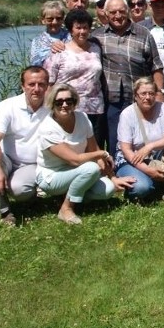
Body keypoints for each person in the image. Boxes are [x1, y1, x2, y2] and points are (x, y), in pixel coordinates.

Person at [36, 84, 135, 224]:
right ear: (52, 103)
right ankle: (66, 209)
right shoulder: (47, 128)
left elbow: (93, 149)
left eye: (69, 101)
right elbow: (75, 160)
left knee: (108, 190)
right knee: (92, 168)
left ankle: (67, 195)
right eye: (59, 102)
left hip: (76, 171)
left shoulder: (82, 118)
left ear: (75, 102)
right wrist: (103, 153)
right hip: (52, 176)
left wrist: (112, 177)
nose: (64, 105)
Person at [93, 0, 164, 157]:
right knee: (114, 141)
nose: (117, 16)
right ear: (105, 13)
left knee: (140, 139)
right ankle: (116, 175)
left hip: (138, 98)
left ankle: (146, 173)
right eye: (113, 12)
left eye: (121, 11)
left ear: (127, 12)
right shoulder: (97, 36)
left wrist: (160, 93)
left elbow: (156, 66)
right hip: (110, 99)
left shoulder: (143, 34)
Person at [0, 66, 50, 225]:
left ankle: (32, 197)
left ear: (47, 86)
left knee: (19, 190)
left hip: (33, 164)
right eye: (31, 84)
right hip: (8, 159)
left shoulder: (54, 107)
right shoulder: (7, 106)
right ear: (22, 86)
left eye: (41, 84)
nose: (36, 89)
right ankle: (5, 211)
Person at [114, 77, 164, 201]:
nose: (147, 97)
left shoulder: (163, 108)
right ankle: (147, 185)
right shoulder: (127, 114)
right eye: (143, 93)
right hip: (130, 159)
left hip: (155, 155)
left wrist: (149, 146)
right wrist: (149, 171)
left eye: (151, 93)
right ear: (135, 96)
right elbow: (126, 151)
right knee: (142, 188)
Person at [46, 9, 106, 147]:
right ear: (70, 30)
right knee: (72, 147)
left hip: (95, 108)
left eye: (85, 27)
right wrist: (47, 109)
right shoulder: (59, 52)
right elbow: (49, 84)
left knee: (94, 148)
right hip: (67, 108)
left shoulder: (96, 48)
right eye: (78, 28)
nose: (82, 31)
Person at [29, 0, 69, 66]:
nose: (54, 22)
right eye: (50, 19)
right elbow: (34, 63)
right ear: (43, 20)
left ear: (63, 19)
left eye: (58, 18)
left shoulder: (70, 36)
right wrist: (51, 51)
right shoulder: (37, 41)